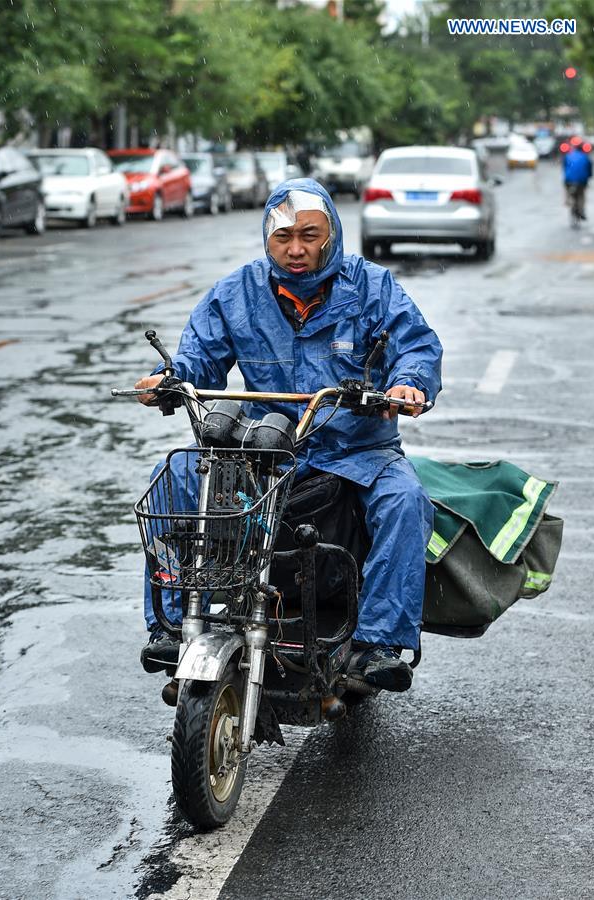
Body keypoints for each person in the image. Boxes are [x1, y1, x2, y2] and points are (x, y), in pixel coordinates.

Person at [136, 179, 443, 692]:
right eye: (283, 238)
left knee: (405, 500)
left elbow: (416, 347)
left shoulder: (372, 287)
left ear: (332, 235)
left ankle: (379, 642)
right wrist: (171, 380)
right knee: (176, 481)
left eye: (309, 235)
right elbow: (199, 360)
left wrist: (408, 384)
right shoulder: (236, 293)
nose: (296, 250)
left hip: (357, 449)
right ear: (266, 238)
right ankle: (169, 624)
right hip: (266, 451)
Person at [563, 141, 593, 220]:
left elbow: (565, 167)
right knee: (581, 195)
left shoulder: (568, 155)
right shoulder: (585, 157)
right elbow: (590, 169)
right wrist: (589, 176)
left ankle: (568, 200)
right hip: (582, 180)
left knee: (567, 189)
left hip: (569, 180)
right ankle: (581, 211)